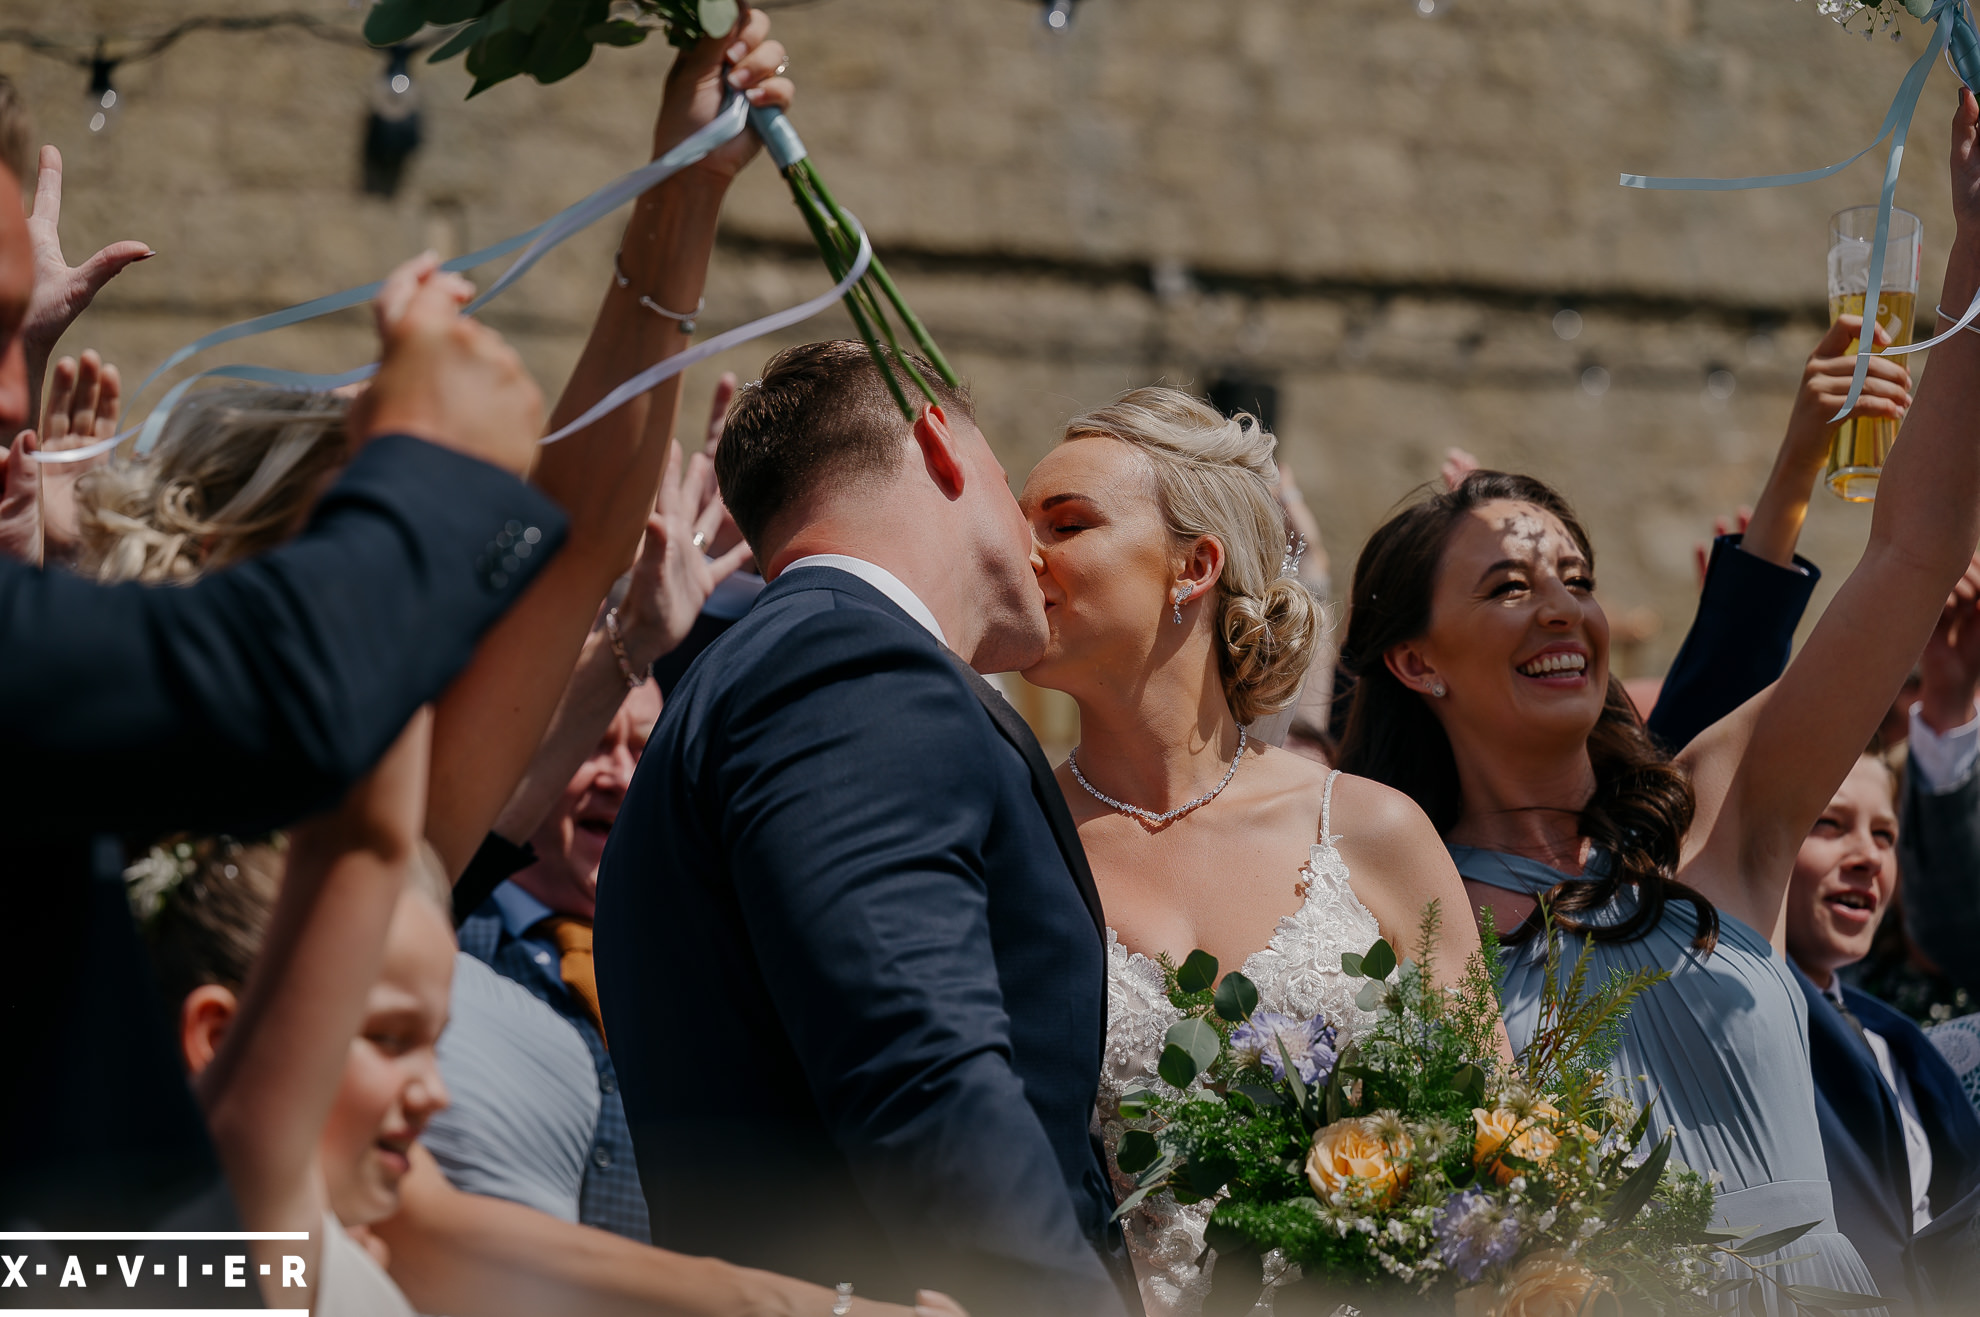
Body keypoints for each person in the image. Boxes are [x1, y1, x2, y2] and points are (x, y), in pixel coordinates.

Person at [1330, 90, 1980, 1308]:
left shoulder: (1714, 814)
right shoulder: (1386, 914)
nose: (1563, 612)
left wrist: (1973, 256)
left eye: (1576, 580)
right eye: (1509, 587)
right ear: (1417, 663)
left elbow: (1913, 554)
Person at [597, 341, 1137, 1316]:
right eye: (1012, 486)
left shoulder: (768, 666)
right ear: (941, 444)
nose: (1035, 544)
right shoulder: (847, 663)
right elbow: (922, 1068)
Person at [1014, 387, 1501, 1315]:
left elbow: (1497, 1140)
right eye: (1019, 526)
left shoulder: (1373, 830)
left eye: (1066, 524)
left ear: (1193, 565)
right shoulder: (1013, 838)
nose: (1023, 553)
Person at [1783, 751, 1980, 1313]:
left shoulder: (1904, 1047)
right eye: (1829, 823)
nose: (1869, 856)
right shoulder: (1742, 1034)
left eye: (1885, 835)